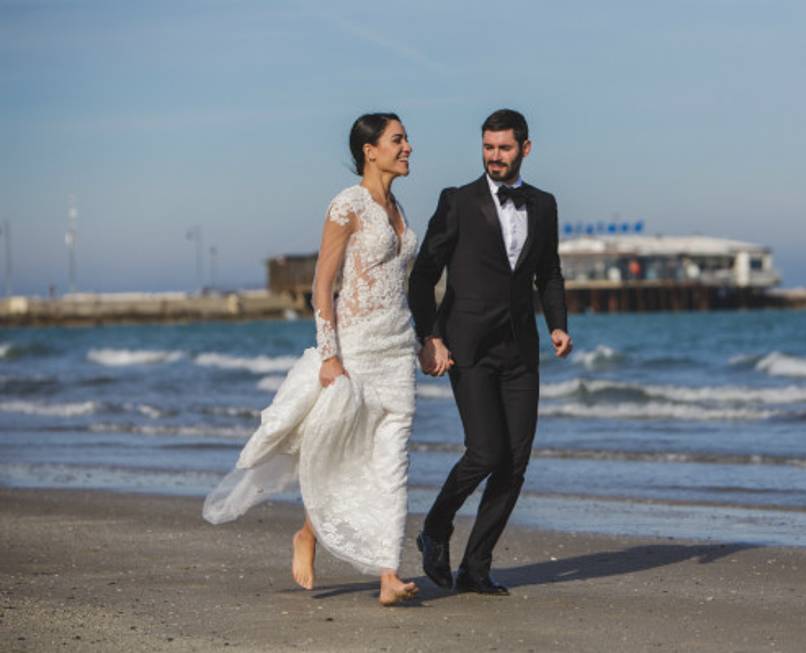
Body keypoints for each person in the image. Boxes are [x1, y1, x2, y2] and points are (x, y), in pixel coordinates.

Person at [203, 113, 419, 606]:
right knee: (342, 453)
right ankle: (308, 533)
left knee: (393, 461)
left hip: (398, 348)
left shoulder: (401, 208)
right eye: (397, 139)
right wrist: (328, 355)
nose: (408, 147)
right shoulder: (347, 205)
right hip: (357, 347)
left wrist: (426, 338)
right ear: (370, 150)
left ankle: (388, 575)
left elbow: (399, 287)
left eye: (406, 139)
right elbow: (323, 284)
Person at [408, 109, 572, 595]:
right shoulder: (457, 201)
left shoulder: (543, 204)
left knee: (515, 462)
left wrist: (558, 323)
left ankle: (476, 566)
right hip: (468, 345)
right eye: (487, 147)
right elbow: (423, 275)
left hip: (521, 348)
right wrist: (429, 336)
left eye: (503, 148)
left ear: (525, 147)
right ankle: (436, 528)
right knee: (485, 451)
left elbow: (550, 272)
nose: (494, 156)